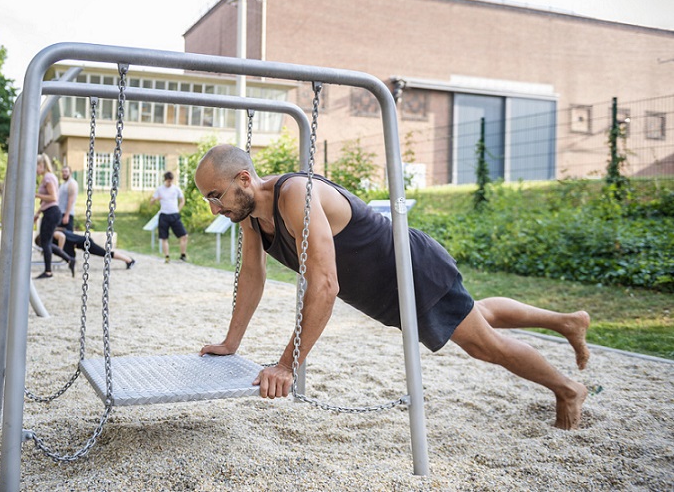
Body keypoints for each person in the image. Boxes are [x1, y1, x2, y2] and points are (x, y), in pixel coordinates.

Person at [194, 144, 591, 430]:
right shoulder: (249, 217)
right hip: (382, 290)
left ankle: (568, 389)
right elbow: (251, 276)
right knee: (474, 314)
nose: (214, 207)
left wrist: (286, 365)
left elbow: (325, 285)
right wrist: (232, 342)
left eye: (216, 195)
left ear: (244, 178)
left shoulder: (297, 196)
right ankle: (567, 322)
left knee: (482, 344)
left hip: (412, 272)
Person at [33, 153, 74, 279]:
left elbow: (53, 198)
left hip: (52, 212)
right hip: (50, 211)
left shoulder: (48, 178)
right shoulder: (48, 177)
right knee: (46, 242)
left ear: (41, 165)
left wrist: (35, 194)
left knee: (44, 242)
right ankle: (69, 259)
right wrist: (39, 212)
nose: (34, 169)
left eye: (36, 166)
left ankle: (48, 271)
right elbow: (48, 200)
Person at [34, 231, 135, 273]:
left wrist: (60, 249)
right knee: (105, 253)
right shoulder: (52, 237)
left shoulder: (53, 234)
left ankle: (129, 260)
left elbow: (62, 236)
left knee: (105, 253)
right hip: (81, 244)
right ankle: (128, 260)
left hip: (85, 242)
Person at [150, 171, 189, 263]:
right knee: (164, 237)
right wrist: (156, 199)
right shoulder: (160, 189)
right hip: (164, 215)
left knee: (184, 236)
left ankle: (183, 255)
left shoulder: (176, 189)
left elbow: (182, 200)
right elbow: (151, 202)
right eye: (168, 181)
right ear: (165, 180)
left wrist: (178, 209)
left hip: (174, 214)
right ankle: (167, 256)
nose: (169, 183)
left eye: (171, 181)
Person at [58, 165, 79, 231]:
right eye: (63, 172)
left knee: (68, 236)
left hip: (67, 214)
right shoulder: (63, 184)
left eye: (66, 171)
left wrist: (67, 215)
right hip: (60, 212)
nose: (64, 173)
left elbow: (71, 200)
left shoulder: (72, 184)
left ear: (70, 172)